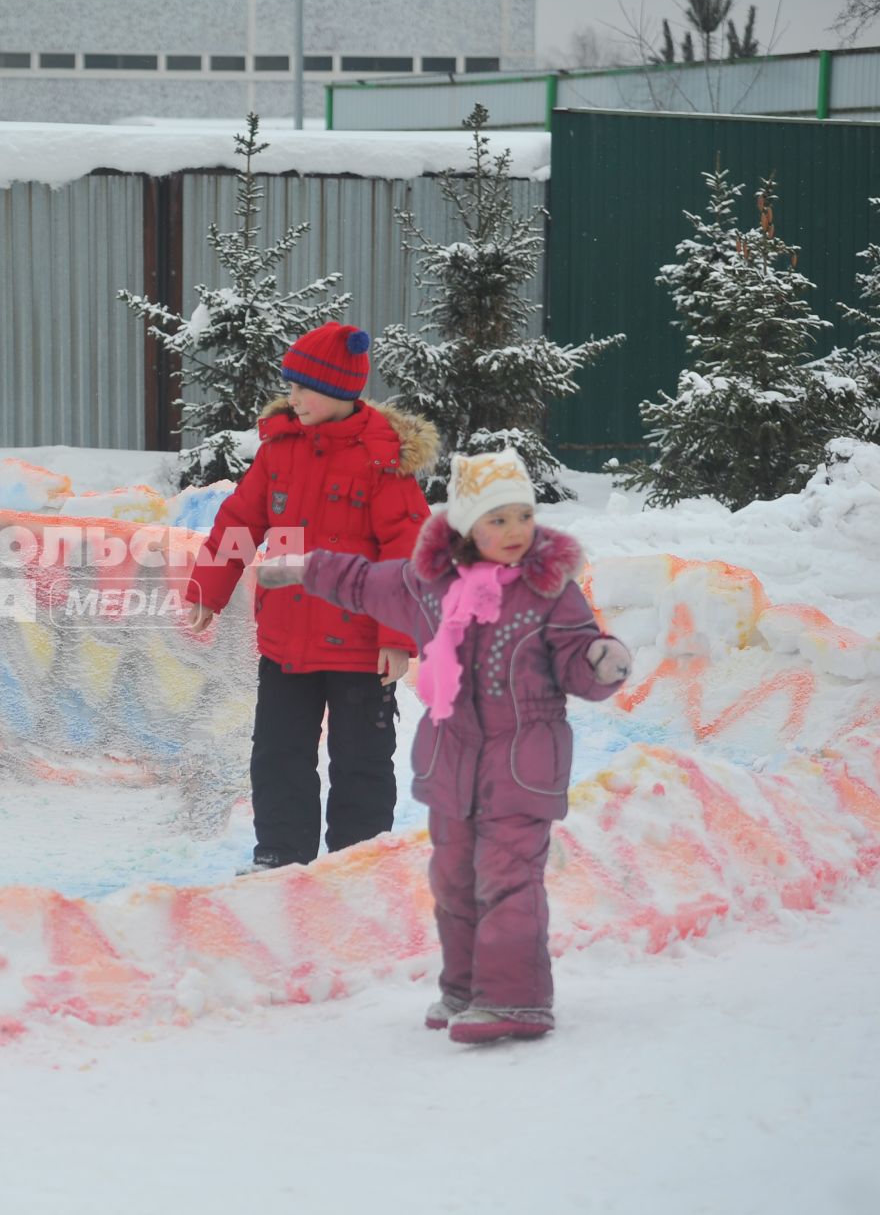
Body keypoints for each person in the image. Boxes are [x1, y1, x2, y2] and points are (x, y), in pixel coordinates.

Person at [254, 448, 632, 1043]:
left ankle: (518, 999)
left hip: (523, 758)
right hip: (454, 758)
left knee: (507, 877)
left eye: (522, 517)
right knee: (454, 878)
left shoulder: (550, 590)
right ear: (465, 527)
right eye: (496, 519)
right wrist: (304, 569)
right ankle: (465, 987)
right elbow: (362, 581)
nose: (514, 532)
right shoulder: (427, 584)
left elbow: (577, 658)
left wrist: (600, 663)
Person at [185, 322, 436, 871]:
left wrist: (399, 638)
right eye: (290, 386)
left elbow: (407, 552)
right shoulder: (280, 450)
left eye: (304, 388)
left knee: (362, 761)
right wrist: (208, 587)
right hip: (286, 643)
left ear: (342, 390)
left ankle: (358, 862)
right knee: (278, 755)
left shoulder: (382, 460)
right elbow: (239, 521)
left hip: (360, 647)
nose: (292, 398)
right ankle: (280, 854)